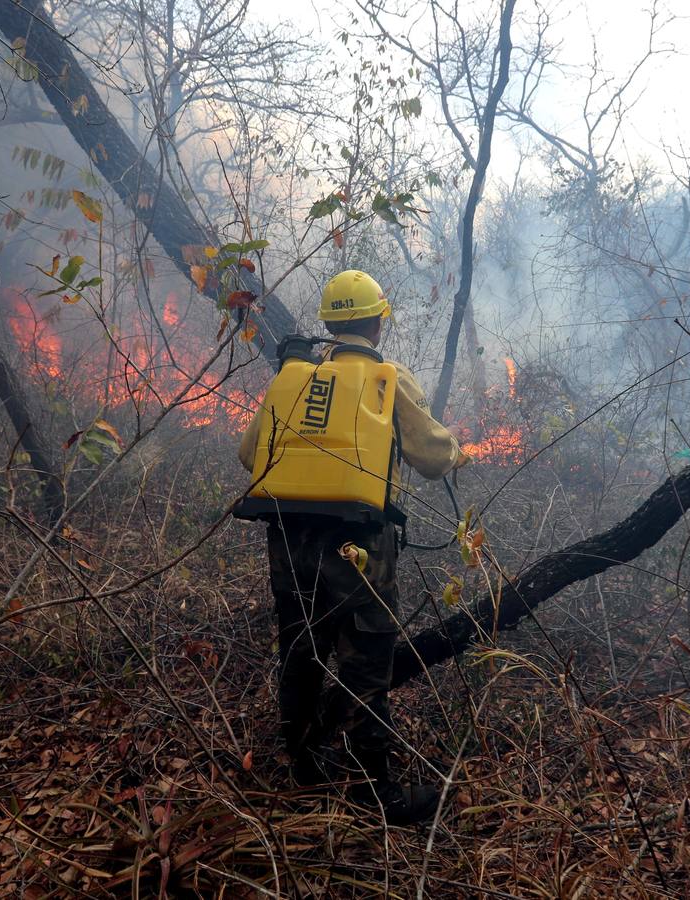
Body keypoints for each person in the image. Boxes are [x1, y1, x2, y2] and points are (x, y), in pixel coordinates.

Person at [238, 269, 466, 825]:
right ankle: (375, 789)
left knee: (300, 648)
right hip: (358, 548)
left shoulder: (293, 378)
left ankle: (301, 761)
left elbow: (250, 456)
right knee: (366, 660)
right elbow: (435, 457)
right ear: (377, 320)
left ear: (330, 323)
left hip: (288, 540)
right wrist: (459, 452)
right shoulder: (389, 378)